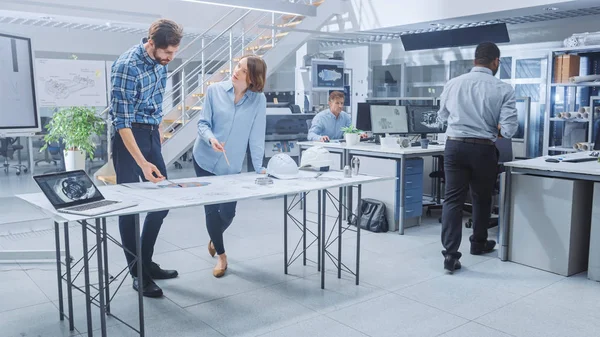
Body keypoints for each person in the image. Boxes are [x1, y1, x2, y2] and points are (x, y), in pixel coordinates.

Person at [109, 19, 183, 297]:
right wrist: (142, 161)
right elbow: (122, 122)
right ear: (151, 43)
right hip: (128, 137)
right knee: (129, 206)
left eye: (174, 53)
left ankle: (146, 262)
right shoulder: (127, 66)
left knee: (162, 202)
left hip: (150, 133)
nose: (170, 58)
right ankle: (137, 273)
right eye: (167, 52)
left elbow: (155, 102)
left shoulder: (161, 63)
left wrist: (159, 132)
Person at [437, 42, 518, 273]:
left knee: (452, 200)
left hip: (454, 146)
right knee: (482, 198)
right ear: (496, 62)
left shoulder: (453, 84)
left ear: (475, 61)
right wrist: (493, 127)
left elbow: (442, 116)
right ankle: (478, 243)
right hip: (483, 148)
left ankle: (450, 256)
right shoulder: (503, 88)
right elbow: (510, 130)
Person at [192, 55, 268, 278]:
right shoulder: (214, 91)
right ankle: (222, 256)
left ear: (253, 78)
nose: (236, 71)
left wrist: (258, 168)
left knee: (228, 213)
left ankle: (215, 237)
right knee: (211, 209)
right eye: (238, 66)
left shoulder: (258, 101)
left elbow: (256, 136)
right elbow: (203, 123)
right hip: (204, 158)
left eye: (244, 70)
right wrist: (211, 139)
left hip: (231, 165)